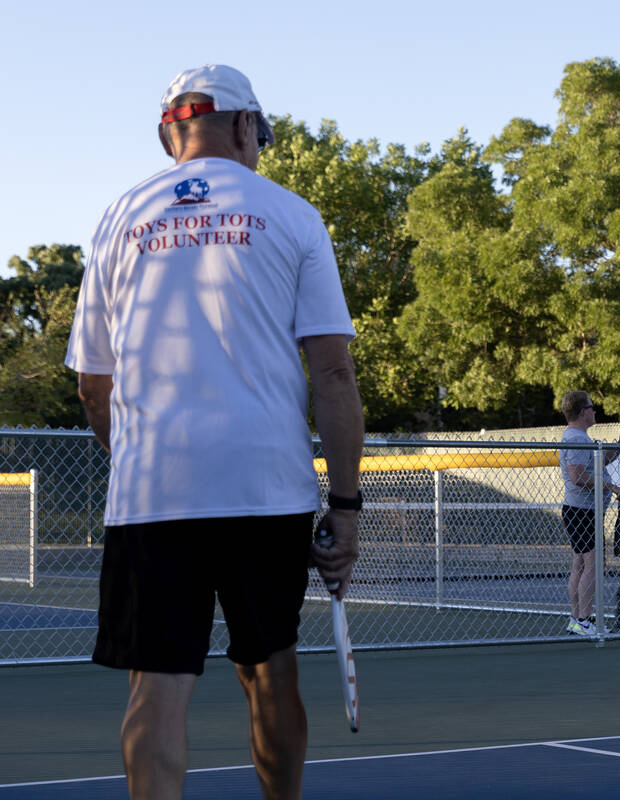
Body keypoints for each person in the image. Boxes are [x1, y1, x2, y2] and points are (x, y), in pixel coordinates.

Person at [64, 64, 363, 800]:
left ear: (171, 133)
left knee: (157, 689)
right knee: (271, 670)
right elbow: (332, 375)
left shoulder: (116, 217)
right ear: (241, 126)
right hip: (265, 486)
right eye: (260, 134)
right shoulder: (291, 214)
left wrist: (132, 456)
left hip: (154, 490)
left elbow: (91, 385)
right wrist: (346, 507)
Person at [558, 390, 620, 635]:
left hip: (583, 511)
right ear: (582, 411)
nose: (595, 410)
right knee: (593, 563)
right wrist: (611, 486)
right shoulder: (576, 439)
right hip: (582, 511)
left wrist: (618, 448)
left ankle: (577, 620)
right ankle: (584, 620)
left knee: (580, 564)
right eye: (591, 406)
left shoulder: (580, 438)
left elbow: (595, 465)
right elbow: (578, 476)